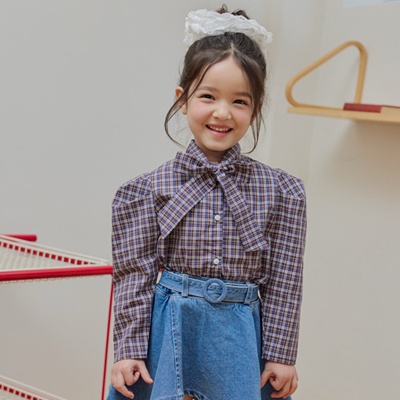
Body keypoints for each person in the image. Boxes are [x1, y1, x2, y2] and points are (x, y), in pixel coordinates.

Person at [107, 6, 307, 400]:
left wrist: (281, 355)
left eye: (240, 101)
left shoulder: (282, 192)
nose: (222, 112)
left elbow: (285, 282)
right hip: (169, 334)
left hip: (240, 339)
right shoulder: (146, 190)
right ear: (182, 99)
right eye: (208, 96)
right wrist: (128, 349)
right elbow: (134, 277)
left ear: (256, 108)